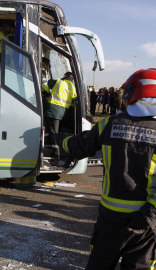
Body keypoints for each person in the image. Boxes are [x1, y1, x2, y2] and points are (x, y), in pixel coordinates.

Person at [61, 68, 156, 270]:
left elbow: (79, 146)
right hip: (145, 219)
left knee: (100, 262)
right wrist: (149, 217)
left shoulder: (108, 124)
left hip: (110, 216)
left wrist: (59, 140)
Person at [43, 72, 76, 159]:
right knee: (50, 128)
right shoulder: (72, 86)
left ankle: (56, 153)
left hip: (54, 110)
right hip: (64, 112)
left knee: (54, 131)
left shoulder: (58, 82)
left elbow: (45, 88)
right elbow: (73, 97)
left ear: (65, 76)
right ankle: (46, 143)